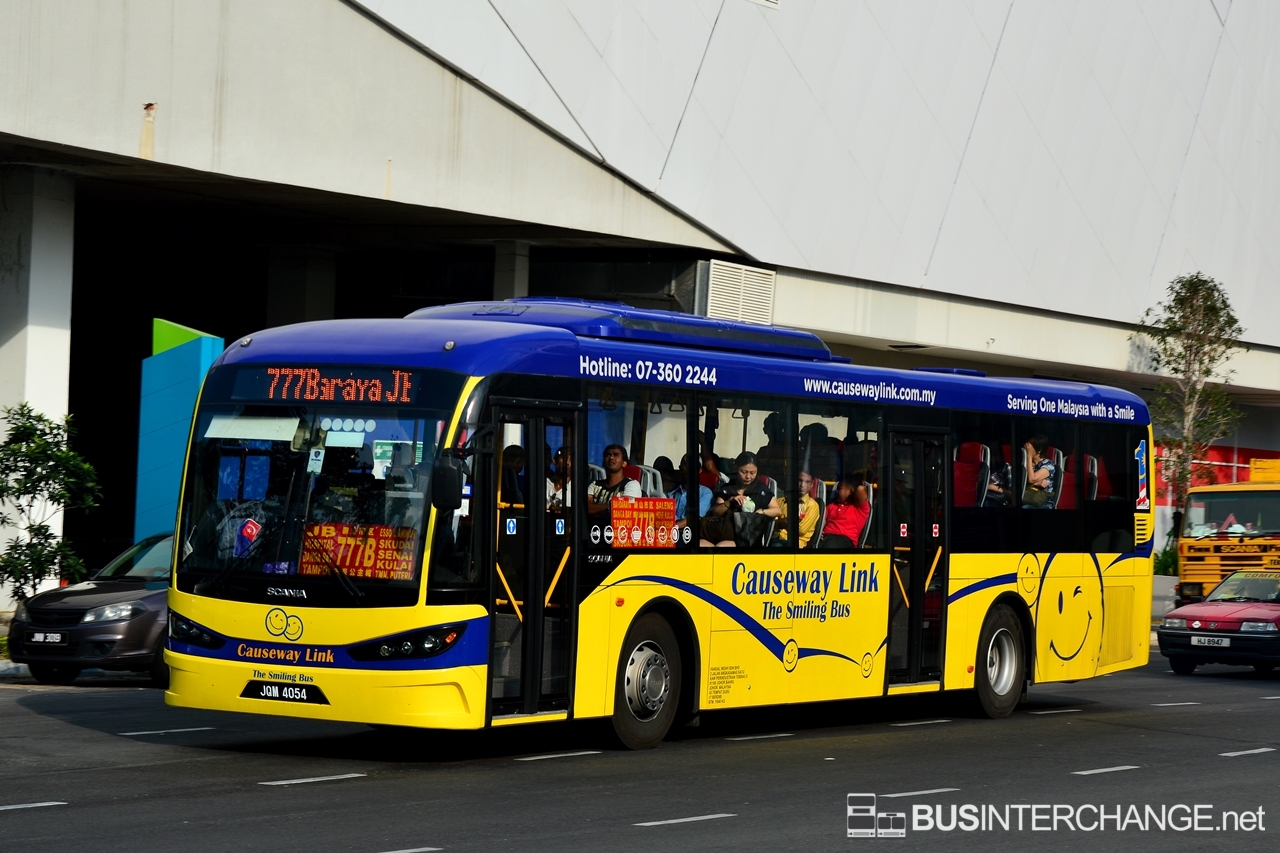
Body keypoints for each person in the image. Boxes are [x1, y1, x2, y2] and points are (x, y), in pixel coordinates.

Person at [700, 451, 781, 547]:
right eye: (744, 472)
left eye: (752, 473)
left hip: (745, 537)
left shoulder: (761, 490)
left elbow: (777, 511)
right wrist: (729, 501)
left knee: (722, 547)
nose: (748, 477)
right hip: (721, 531)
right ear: (736, 469)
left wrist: (762, 512)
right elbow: (716, 513)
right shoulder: (727, 488)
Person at [586, 444, 641, 516]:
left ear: (624, 463)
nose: (611, 457)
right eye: (608, 455)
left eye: (616, 455)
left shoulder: (631, 485)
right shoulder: (595, 485)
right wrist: (611, 506)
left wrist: (595, 508)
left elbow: (624, 512)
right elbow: (585, 508)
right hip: (594, 526)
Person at [818, 475, 871, 549]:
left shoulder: (860, 508)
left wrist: (857, 485)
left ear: (850, 491)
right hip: (826, 538)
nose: (836, 491)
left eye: (839, 488)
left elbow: (860, 489)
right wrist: (819, 532)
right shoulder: (832, 506)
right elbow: (823, 520)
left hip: (845, 541)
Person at [776, 469, 820, 548]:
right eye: (800, 480)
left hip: (795, 544)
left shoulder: (812, 506)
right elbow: (772, 524)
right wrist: (790, 521)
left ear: (812, 484)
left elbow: (801, 530)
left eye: (807, 482)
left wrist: (783, 522)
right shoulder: (781, 501)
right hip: (775, 538)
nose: (802, 485)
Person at [669, 454, 713, 528]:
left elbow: (695, 518)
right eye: (686, 465)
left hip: (689, 534)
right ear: (680, 468)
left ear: (699, 470)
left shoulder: (705, 493)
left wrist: (674, 528)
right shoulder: (671, 493)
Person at [1021, 435, 1056, 508]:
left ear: (1039, 450)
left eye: (1030, 447)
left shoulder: (1048, 465)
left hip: (1043, 501)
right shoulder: (1025, 463)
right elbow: (1020, 483)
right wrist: (1037, 483)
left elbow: (1031, 479)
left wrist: (1029, 456)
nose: (1027, 448)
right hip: (1027, 497)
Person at [546, 446, 572, 510]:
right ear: (554, 461)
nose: (567, 462)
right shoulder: (544, 484)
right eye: (564, 458)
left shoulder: (577, 489)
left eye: (571, 459)